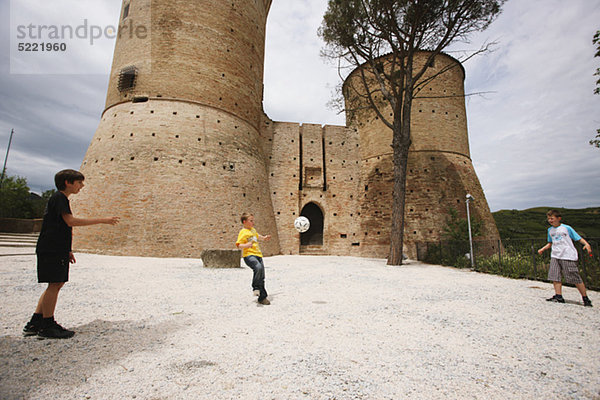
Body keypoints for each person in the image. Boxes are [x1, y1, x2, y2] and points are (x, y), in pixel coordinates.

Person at [23, 169, 119, 339]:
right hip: (52, 248)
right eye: (79, 182)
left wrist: (67, 250)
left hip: (54, 248)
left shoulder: (59, 199)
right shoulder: (59, 198)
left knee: (55, 284)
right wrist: (102, 220)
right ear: (68, 182)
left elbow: (58, 226)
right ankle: (47, 325)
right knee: (55, 284)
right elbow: (70, 221)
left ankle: (35, 321)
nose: (81, 186)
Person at [538, 209, 593, 307]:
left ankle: (585, 298)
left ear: (558, 218)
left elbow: (578, 238)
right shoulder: (550, 230)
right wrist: (543, 249)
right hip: (555, 255)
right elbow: (550, 242)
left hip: (567, 255)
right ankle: (558, 296)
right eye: (549, 219)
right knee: (555, 276)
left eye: (552, 218)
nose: (550, 220)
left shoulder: (566, 228)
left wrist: (586, 244)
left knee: (574, 277)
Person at [235, 213, 271, 305]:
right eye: (251, 220)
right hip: (249, 256)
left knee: (262, 276)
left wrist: (264, 238)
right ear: (244, 222)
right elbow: (238, 245)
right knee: (258, 268)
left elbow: (257, 236)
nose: (253, 222)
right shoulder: (243, 232)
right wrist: (246, 245)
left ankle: (262, 297)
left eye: (253, 220)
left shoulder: (253, 230)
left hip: (258, 255)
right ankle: (255, 287)